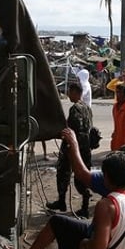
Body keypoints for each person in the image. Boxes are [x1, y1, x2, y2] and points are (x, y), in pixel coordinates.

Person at [5, 131, 125, 249]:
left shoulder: (110, 190)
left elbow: (82, 173)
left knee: (56, 222)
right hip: (124, 245)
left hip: (105, 244)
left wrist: (74, 145)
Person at [47, 83, 94, 216]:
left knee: (64, 173)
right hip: (85, 148)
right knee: (82, 175)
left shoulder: (75, 109)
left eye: (70, 92)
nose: (68, 95)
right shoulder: (87, 108)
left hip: (73, 146)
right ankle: (82, 206)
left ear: (77, 93)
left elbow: (75, 129)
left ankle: (65, 202)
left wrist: (68, 143)